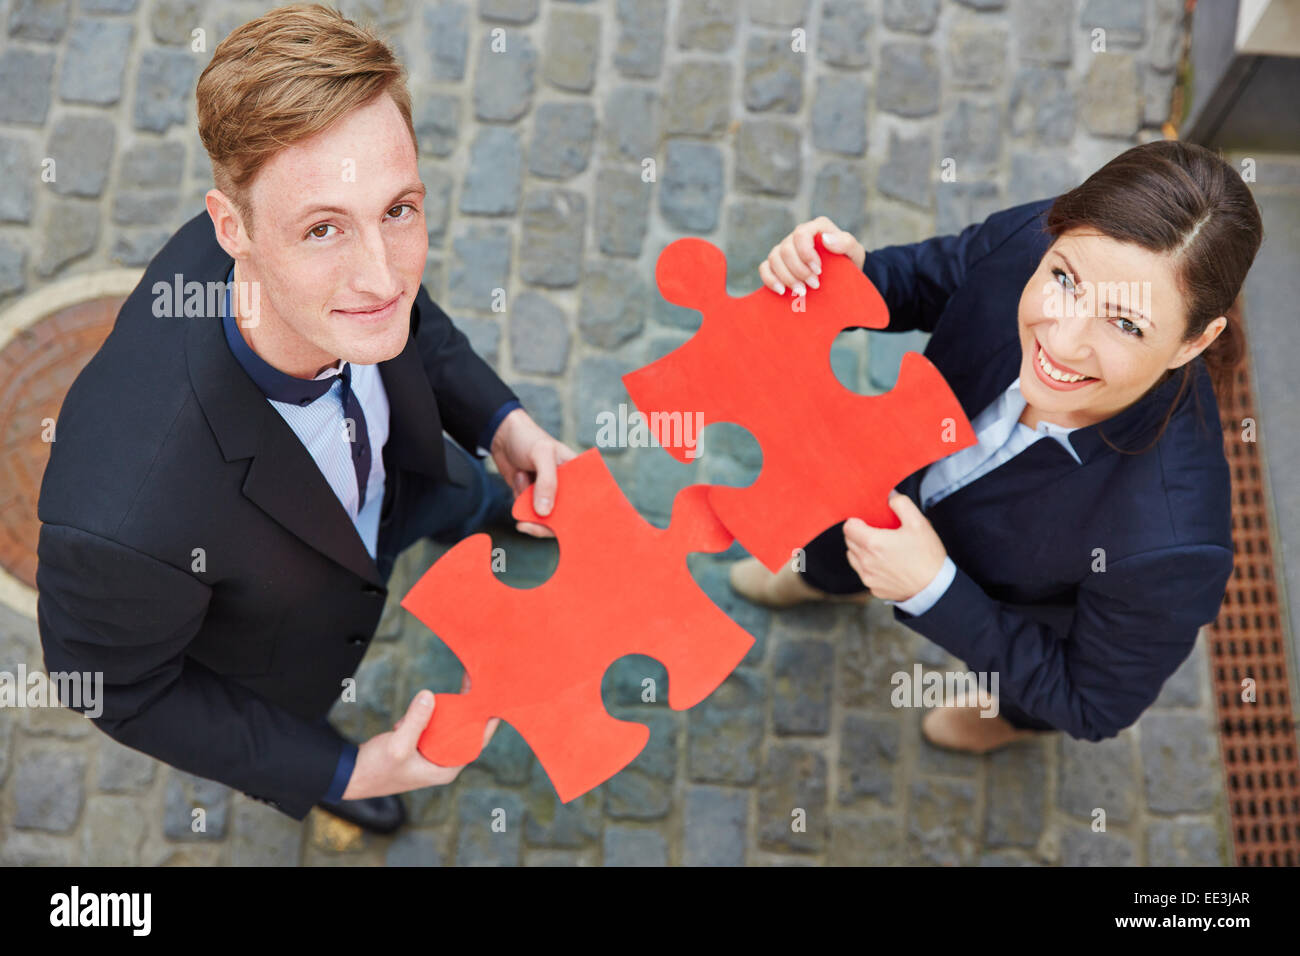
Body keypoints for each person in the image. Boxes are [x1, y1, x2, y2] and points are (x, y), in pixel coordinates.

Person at [37, 4, 574, 834]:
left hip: (405, 477)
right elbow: (120, 688)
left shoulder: (346, 272)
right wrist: (348, 768)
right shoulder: (120, 524)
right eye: (324, 229)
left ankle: (480, 507)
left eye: (400, 209)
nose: (380, 274)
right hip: (289, 636)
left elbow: (406, 318)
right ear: (231, 229)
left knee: (464, 494)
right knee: (310, 721)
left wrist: (501, 425)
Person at [730, 140, 1263, 754]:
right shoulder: (1042, 240)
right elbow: (937, 279)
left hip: (1016, 603)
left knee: (1030, 697)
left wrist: (932, 588)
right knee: (838, 541)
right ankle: (824, 578)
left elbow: (1092, 700)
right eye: (1064, 281)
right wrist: (848, 281)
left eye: (1125, 323)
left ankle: (1007, 722)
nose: (1061, 342)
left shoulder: (1174, 543)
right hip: (895, 481)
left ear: (1192, 344)